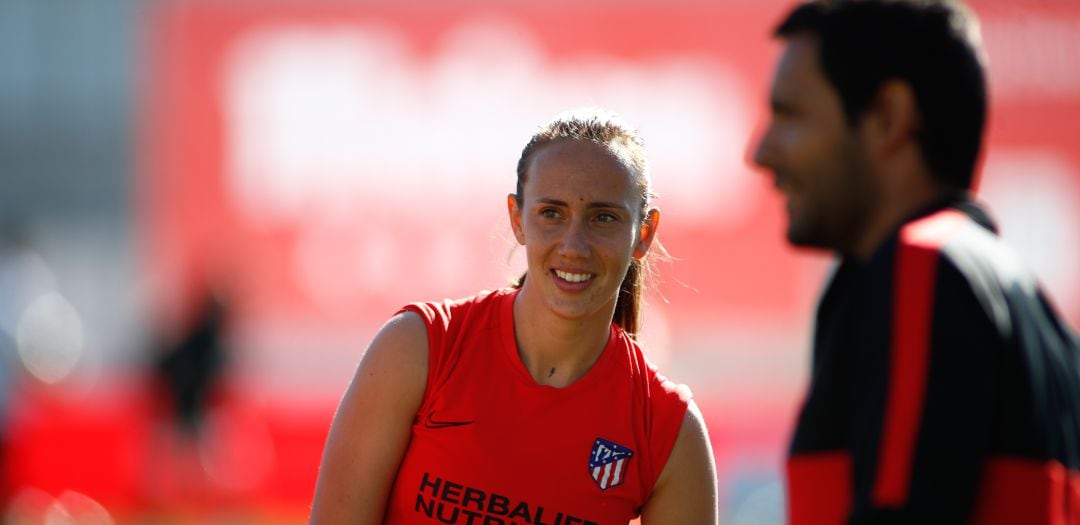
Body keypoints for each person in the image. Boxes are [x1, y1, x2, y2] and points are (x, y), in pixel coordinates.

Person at [752, 1, 1080, 523]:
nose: (762, 152)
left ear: (888, 116)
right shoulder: (1036, 310)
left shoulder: (924, 267)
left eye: (791, 115)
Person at [310, 108, 719, 524]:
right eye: (552, 213)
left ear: (643, 234)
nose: (573, 245)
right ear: (517, 219)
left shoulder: (667, 430)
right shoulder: (419, 348)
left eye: (604, 217)